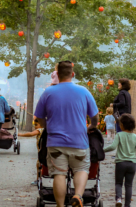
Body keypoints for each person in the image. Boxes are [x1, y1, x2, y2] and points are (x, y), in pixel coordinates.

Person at [34, 61, 99, 207]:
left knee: (59, 174)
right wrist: (90, 127)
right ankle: (77, 195)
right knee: (81, 169)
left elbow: (39, 117)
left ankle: (60, 205)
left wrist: (47, 127)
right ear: (72, 74)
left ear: (57, 74)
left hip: (55, 143)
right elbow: (95, 117)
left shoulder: (48, 93)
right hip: (79, 141)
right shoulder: (84, 91)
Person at [103, 114, 136, 207]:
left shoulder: (119, 135)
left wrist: (102, 150)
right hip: (132, 164)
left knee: (118, 183)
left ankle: (119, 199)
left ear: (122, 125)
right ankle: (127, 205)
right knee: (129, 185)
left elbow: (113, 147)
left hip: (120, 163)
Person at [18, 117, 44, 186]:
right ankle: (39, 178)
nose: (35, 127)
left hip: (42, 152)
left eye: (36, 125)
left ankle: (38, 179)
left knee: (39, 165)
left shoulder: (40, 130)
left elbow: (31, 134)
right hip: (43, 151)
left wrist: (21, 134)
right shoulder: (46, 130)